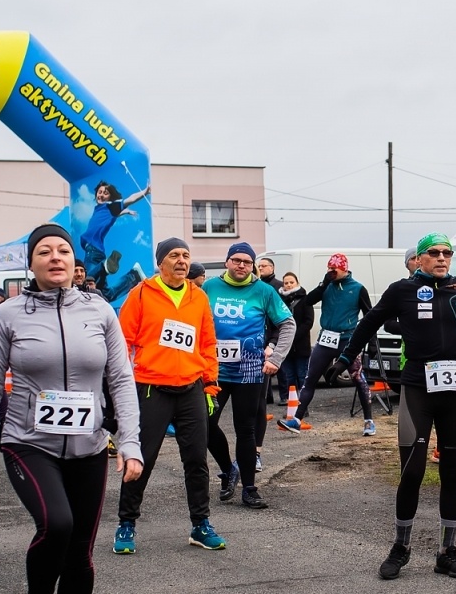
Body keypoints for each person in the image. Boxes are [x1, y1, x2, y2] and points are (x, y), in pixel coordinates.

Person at [0, 224, 142, 594]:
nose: (55, 257)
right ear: (31, 263)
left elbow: (121, 380)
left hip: (88, 446)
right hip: (28, 443)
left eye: (63, 250)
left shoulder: (99, 311)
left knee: (80, 553)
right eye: (45, 251)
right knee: (57, 524)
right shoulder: (8, 316)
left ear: (74, 261)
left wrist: (130, 443)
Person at [340, 233, 456, 580]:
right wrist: (346, 357)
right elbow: (369, 323)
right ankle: (401, 547)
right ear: (419, 258)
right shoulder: (402, 290)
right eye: (434, 252)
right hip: (418, 389)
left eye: (447, 253)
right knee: (412, 471)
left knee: (452, 472)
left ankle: (447, 551)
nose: (442, 258)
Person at [113, 237, 223, 555]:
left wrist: (210, 384)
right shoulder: (141, 294)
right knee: (142, 459)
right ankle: (126, 523)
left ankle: (201, 524)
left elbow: (207, 342)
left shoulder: (198, 297)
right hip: (151, 388)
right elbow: (122, 341)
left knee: (196, 460)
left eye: (185, 255)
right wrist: (123, 384)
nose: (181, 260)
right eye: (174, 255)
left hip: (191, 388)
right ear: (160, 262)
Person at [203, 243, 294, 510]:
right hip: (214, 370)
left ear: (253, 265)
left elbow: (287, 324)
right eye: (236, 260)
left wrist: (276, 358)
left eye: (247, 261)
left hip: (250, 371)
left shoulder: (264, 291)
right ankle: (228, 469)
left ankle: (250, 489)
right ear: (227, 262)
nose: (241, 265)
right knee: (205, 424)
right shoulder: (209, 287)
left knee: (246, 430)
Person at [282, 253, 376, 435]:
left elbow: (370, 316)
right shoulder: (326, 286)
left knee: (358, 378)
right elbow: (307, 301)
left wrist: (372, 342)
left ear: (344, 269)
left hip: (347, 339)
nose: (331, 272)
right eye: (328, 269)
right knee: (310, 378)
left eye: (334, 269)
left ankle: (368, 421)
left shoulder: (358, 288)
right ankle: (296, 419)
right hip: (326, 338)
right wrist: (323, 284)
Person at [81, 181, 151, 301]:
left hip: (92, 251)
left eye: (105, 193)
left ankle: (104, 266)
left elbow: (130, 199)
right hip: (96, 252)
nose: (101, 195)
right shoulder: (101, 209)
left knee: (85, 284)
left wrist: (144, 191)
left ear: (110, 197)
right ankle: (133, 276)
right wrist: (124, 212)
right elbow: (111, 215)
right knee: (105, 295)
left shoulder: (110, 206)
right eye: (100, 192)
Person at [280, 272, 313, 407]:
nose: (288, 285)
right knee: (289, 377)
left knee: (302, 375)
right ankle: (292, 405)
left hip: (301, 345)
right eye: (286, 283)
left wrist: (293, 335)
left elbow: (308, 321)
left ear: (297, 283)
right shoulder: (280, 300)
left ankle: (303, 405)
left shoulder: (305, 299)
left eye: (291, 282)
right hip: (285, 347)